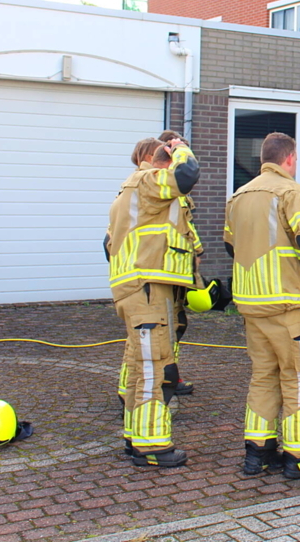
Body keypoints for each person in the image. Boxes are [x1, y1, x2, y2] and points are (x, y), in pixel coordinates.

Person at [224, 132, 300, 479]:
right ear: (289, 159)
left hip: (251, 304)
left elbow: (232, 247)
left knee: (263, 377)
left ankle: (258, 452)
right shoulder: (293, 192)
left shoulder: (238, 196)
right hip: (288, 306)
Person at [105, 137, 200, 467]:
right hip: (146, 290)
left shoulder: (127, 192)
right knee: (153, 368)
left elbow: (108, 243)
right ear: (161, 164)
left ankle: (135, 437)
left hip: (134, 288)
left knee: (137, 367)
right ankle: (152, 448)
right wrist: (181, 150)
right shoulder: (147, 181)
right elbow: (187, 175)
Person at [158, 130, 203, 396]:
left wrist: (197, 249)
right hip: (164, 272)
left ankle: (171, 376)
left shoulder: (173, 192)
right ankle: (147, 388)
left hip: (177, 271)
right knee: (158, 333)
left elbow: (184, 225)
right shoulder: (161, 185)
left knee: (176, 326)